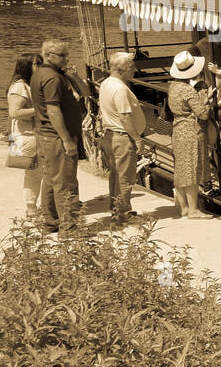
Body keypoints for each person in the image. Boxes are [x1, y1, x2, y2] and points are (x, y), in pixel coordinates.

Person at [31, 39, 86, 235]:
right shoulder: (52, 78)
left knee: (50, 179)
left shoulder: (44, 73)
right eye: (63, 55)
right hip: (56, 137)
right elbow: (53, 111)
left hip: (46, 136)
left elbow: (85, 92)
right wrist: (67, 140)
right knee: (65, 182)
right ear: (48, 56)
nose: (67, 59)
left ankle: (51, 221)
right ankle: (69, 227)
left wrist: (72, 75)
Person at [98, 52, 147, 223]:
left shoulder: (106, 83)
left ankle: (116, 209)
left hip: (110, 134)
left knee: (115, 176)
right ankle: (122, 213)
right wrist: (138, 139)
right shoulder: (120, 89)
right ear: (121, 69)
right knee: (125, 177)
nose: (134, 69)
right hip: (122, 137)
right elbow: (125, 117)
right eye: (131, 67)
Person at [166, 51, 213, 219]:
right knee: (193, 169)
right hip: (191, 131)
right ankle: (193, 210)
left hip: (178, 129)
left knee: (181, 169)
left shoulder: (173, 86)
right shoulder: (188, 90)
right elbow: (203, 114)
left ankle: (184, 207)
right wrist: (207, 101)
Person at [6, 53, 41, 218]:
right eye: (37, 63)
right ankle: (31, 208)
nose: (40, 66)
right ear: (26, 66)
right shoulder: (20, 87)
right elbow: (15, 112)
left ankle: (33, 207)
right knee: (35, 173)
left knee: (37, 172)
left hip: (29, 134)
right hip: (26, 135)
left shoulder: (27, 85)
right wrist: (41, 110)